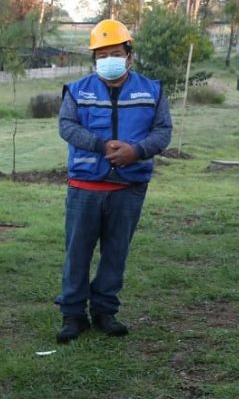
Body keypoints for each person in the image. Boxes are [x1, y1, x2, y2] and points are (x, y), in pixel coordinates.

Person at [55, 19, 172, 343]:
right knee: (76, 252)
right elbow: (66, 126)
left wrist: (137, 151)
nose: (109, 59)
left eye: (115, 52)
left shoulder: (152, 90)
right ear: (94, 58)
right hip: (85, 187)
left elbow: (163, 131)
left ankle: (105, 311)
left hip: (129, 188)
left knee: (116, 252)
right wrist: (100, 145)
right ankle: (73, 314)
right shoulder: (77, 91)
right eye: (102, 54)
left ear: (129, 55)